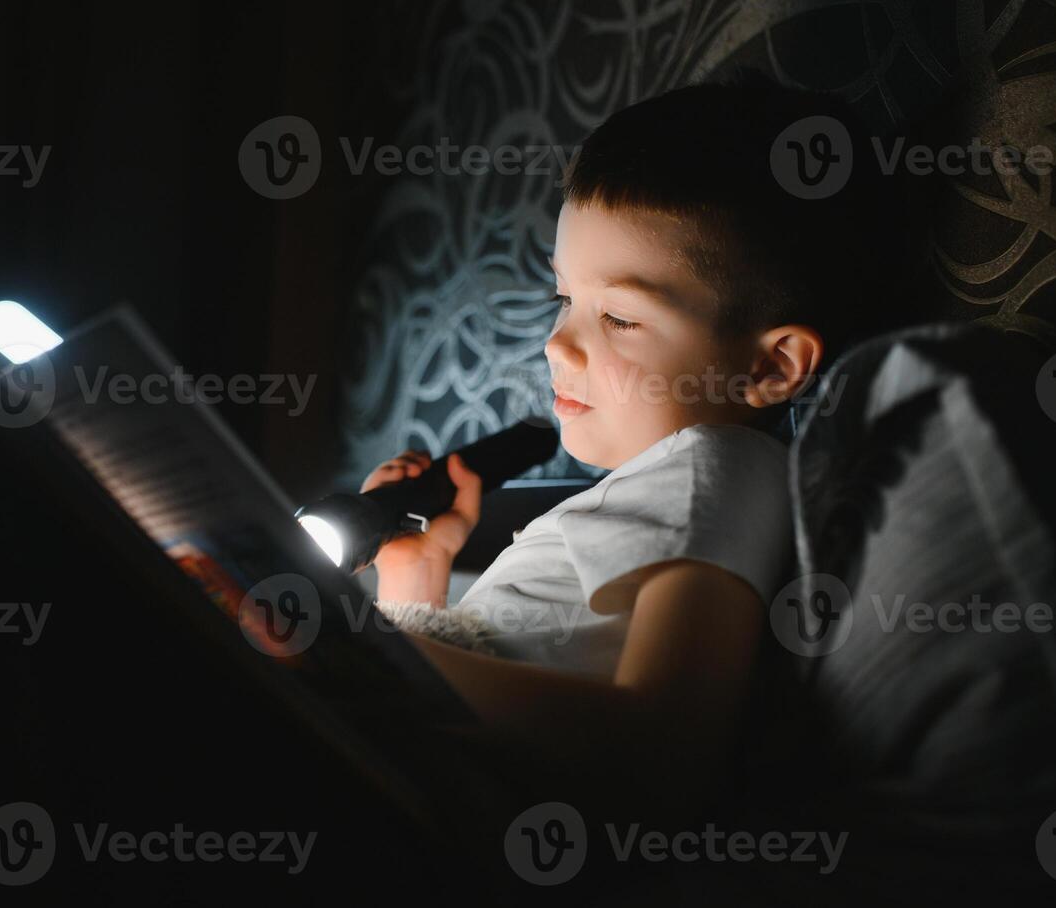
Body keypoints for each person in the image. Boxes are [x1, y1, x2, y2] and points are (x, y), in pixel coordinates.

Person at [364, 72, 909, 823]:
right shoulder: (661, 487)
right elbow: (507, 659)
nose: (557, 344)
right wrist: (414, 586)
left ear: (768, 368)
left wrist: (372, 654)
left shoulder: (712, 469)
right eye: (564, 299)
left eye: (619, 318)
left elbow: (659, 754)